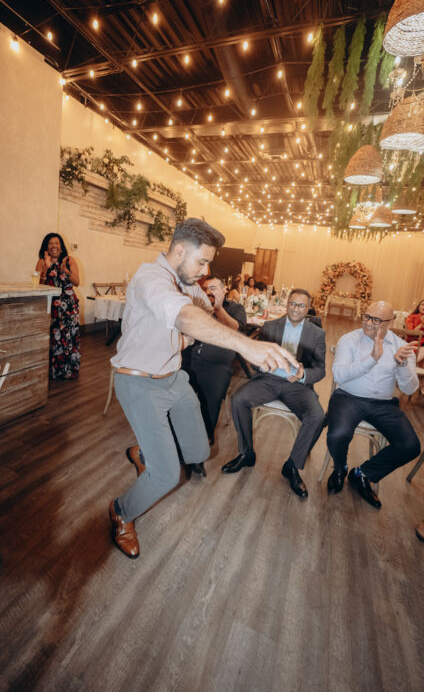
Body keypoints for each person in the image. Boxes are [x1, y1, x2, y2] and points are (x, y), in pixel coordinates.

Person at [108, 218, 298, 559]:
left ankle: (146, 453)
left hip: (174, 378)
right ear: (180, 251)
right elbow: (185, 317)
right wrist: (246, 347)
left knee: (198, 451)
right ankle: (121, 512)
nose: (206, 270)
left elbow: (210, 317)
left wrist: (219, 312)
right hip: (139, 382)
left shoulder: (189, 284)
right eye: (202, 261)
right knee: (167, 476)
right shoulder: (150, 278)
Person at [223, 289, 326, 498]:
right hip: (268, 380)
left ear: (308, 309)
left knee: (317, 416)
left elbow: (320, 369)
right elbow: (256, 357)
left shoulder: (317, 334)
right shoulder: (270, 326)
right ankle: (246, 453)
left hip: (298, 385)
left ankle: (292, 466)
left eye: (301, 306)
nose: (296, 309)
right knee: (239, 399)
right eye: (293, 304)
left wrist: (304, 375)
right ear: (287, 304)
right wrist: (261, 365)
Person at [326, 301, 420, 508]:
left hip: (384, 404)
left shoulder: (401, 348)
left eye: (376, 320)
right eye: (366, 316)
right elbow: (339, 375)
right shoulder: (348, 340)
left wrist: (402, 365)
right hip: (348, 397)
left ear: (391, 322)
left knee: (410, 446)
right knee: (337, 434)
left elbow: (410, 389)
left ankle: (363, 473)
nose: (368, 323)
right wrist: (372, 359)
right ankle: (340, 468)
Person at [182, 276, 246, 443]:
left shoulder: (235, 308)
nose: (208, 292)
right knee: (170, 390)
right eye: (204, 289)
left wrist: (218, 309)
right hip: (188, 359)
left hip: (216, 365)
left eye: (212, 288)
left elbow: (236, 329)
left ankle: (204, 439)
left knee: (212, 393)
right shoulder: (195, 306)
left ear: (224, 290)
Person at [36, 233, 80, 380]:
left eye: (56, 243)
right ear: (46, 246)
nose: (53, 246)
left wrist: (65, 270)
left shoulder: (69, 260)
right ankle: (52, 371)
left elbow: (77, 282)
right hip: (52, 305)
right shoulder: (42, 261)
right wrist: (46, 268)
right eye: (50, 243)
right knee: (53, 339)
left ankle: (68, 370)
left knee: (68, 338)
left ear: (61, 246)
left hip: (69, 306)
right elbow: (38, 286)